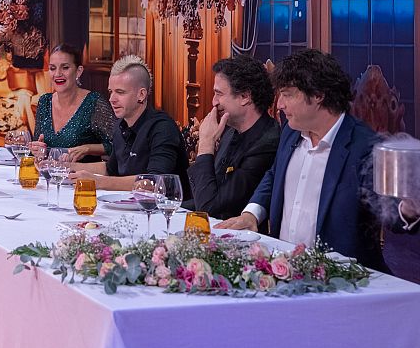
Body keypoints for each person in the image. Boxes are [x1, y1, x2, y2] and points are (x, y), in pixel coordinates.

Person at [216, 49, 417, 270]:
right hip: (283, 271)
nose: (279, 104)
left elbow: (385, 204)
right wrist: (252, 214)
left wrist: (407, 207)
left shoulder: (364, 146)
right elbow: (274, 175)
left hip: (343, 282)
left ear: (318, 94)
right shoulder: (291, 132)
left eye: (287, 94)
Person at [68, 55, 190, 193]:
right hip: (132, 206)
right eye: (111, 92)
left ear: (141, 95)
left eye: (120, 92)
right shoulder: (120, 125)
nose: (111, 99)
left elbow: (154, 182)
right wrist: (67, 167)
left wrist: (97, 182)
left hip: (168, 211)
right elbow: (110, 169)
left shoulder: (163, 128)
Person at [184, 55, 280, 220]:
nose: (214, 102)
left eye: (219, 94)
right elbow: (206, 194)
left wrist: (205, 145)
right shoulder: (229, 131)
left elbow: (210, 208)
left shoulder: (267, 143)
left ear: (245, 97)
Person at [31, 43, 115, 163]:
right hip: (51, 177)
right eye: (52, 68)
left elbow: (117, 146)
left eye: (65, 67)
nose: (58, 74)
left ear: (78, 71)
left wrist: (87, 149)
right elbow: (38, 147)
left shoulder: (94, 101)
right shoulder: (45, 101)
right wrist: (37, 150)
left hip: (84, 179)